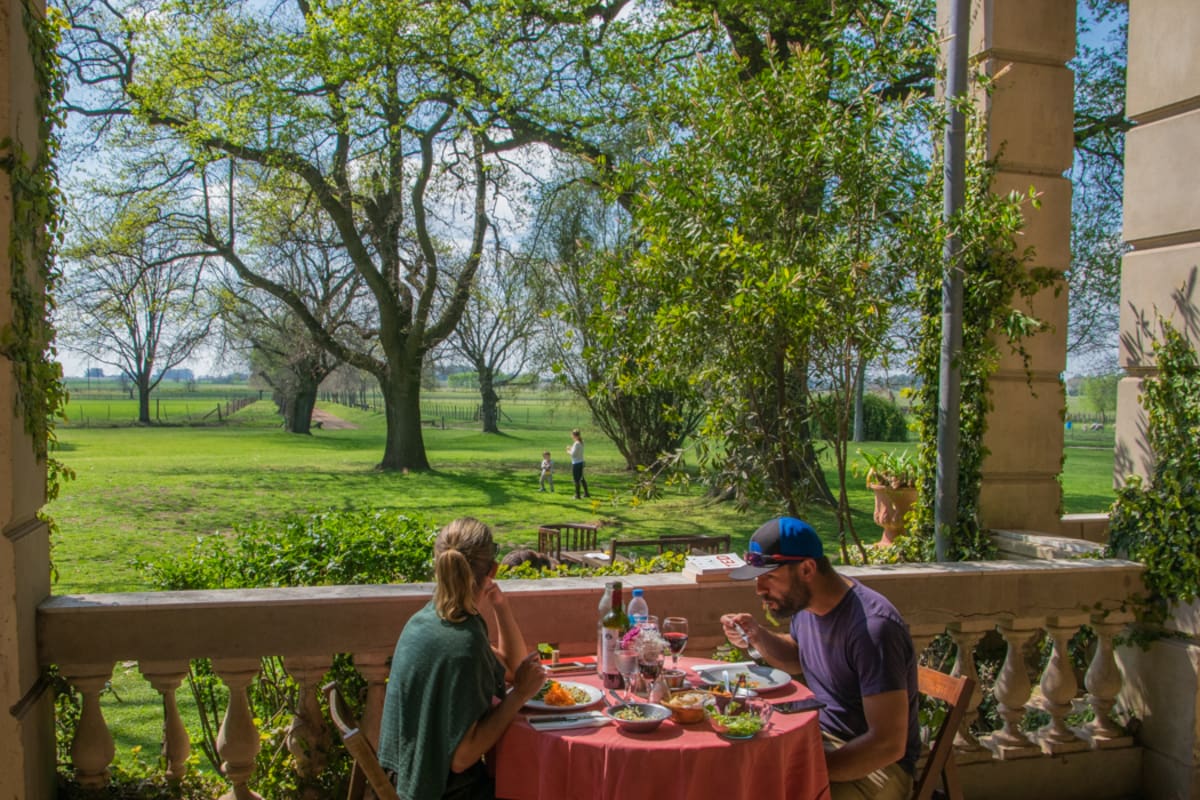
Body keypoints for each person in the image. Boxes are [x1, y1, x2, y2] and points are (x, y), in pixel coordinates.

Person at [720, 517, 919, 800]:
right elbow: (799, 658)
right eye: (757, 578)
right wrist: (757, 636)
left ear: (807, 568)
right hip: (819, 739)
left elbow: (887, 744)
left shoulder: (873, 629)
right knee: (734, 774)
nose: (759, 590)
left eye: (769, 577)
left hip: (878, 767)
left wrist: (806, 769)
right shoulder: (807, 605)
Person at [377, 518, 546, 800]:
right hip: (436, 790)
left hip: (404, 776)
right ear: (493, 569)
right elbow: (462, 758)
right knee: (544, 784)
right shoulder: (463, 643)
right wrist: (519, 695)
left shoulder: (430, 618)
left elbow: (513, 669)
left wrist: (501, 607)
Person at [566, 428, 590, 499]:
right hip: (581, 462)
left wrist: (568, 451)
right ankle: (586, 493)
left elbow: (573, 454)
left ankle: (577, 495)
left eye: (572, 435)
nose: (571, 436)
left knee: (576, 479)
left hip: (576, 463)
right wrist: (571, 448)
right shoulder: (581, 442)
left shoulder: (576, 443)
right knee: (582, 478)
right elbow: (577, 451)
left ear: (574, 435)